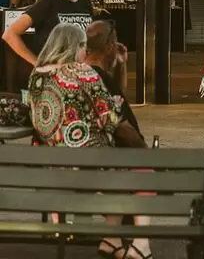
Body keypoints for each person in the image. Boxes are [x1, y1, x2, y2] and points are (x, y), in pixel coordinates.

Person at [28, 23, 151, 259]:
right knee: (140, 168)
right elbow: (112, 118)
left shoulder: (36, 75)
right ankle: (141, 245)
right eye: (83, 46)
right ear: (76, 46)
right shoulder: (82, 72)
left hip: (49, 167)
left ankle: (112, 240)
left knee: (116, 178)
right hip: (89, 165)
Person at [85, 20, 144, 144]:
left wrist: (121, 65)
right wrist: (144, 151)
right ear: (109, 46)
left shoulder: (91, 74)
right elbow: (122, 127)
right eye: (114, 41)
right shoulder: (99, 79)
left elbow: (118, 94)